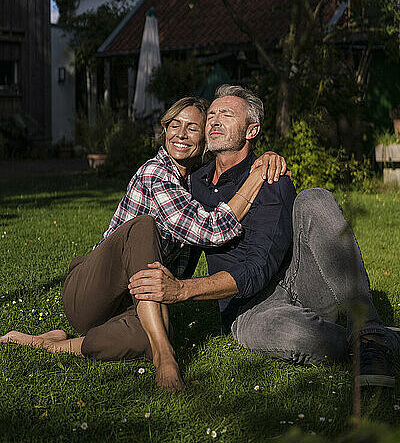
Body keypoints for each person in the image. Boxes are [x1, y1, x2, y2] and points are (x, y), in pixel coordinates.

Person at [0, 96, 287, 392]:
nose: (181, 134)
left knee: (143, 337)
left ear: (204, 140)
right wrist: (255, 179)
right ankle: (165, 355)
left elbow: (214, 211)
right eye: (174, 126)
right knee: (142, 227)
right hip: (88, 293)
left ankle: (51, 345)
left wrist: (265, 158)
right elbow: (212, 230)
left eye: (192, 128)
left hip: (132, 301)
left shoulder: (195, 185)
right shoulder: (155, 173)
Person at [130, 84, 400, 388]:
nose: (214, 121)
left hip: (296, 282)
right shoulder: (193, 183)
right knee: (292, 335)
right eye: (213, 115)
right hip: (250, 310)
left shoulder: (272, 178)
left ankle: (370, 333)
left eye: (227, 115)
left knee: (315, 198)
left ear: (251, 130)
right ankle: (379, 341)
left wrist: (182, 290)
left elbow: (258, 269)